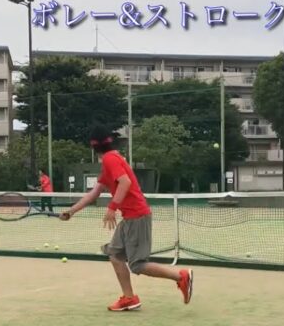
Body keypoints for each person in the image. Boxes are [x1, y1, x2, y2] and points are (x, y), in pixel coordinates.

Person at [60, 128, 193, 311]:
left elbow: (125, 182)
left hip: (137, 216)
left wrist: (112, 208)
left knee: (137, 265)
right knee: (115, 256)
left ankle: (181, 277)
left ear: (92, 147)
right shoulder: (110, 162)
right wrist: (71, 211)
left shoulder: (110, 159)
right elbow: (93, 194)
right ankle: (129, 298)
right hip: (129, 218)